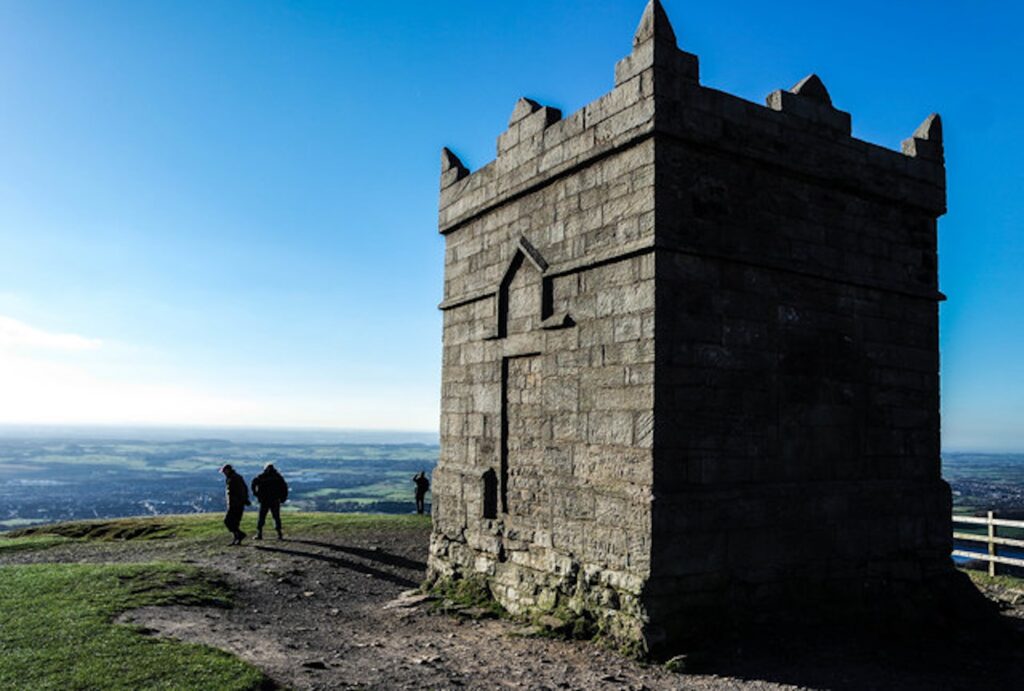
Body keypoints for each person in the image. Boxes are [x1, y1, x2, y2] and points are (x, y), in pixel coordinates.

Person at [251, 462, 289, 540]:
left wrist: (256, 494)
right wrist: (283, 498)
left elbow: (253, 484)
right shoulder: (278, 477)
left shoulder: (261, 477)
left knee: (262, 517)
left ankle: (259, 534)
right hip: (274, 500)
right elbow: (284, 488)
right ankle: (279, 534)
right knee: (276, 517)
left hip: (264, 500)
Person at [220, 464, 251, 546]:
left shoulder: (234, 478)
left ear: (228, 470)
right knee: (233, 522)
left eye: (224, 471)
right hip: (235, 504)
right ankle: (237, 538)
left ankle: (239, 536)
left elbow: (241, 491)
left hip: (236, 504)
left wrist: (242, 500)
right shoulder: (234, 477)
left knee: (228, 521)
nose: (223, 473)